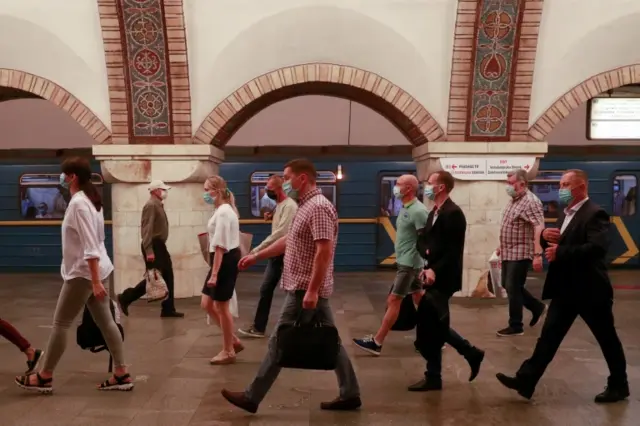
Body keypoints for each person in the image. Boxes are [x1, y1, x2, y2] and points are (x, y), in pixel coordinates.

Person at [221, 158, 361, 414]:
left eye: (287, 177)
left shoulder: (318, 207)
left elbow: (324, 251)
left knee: (279, 341)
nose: (284, 183)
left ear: (302, 178)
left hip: (304, 290)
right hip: (303, 288)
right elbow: (290, 240)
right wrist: (256, 256)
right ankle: (350, 393)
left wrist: (312, 290)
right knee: (332, 341)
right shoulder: (305, 207)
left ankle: (252, 397)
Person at [496, 169, 629, 403]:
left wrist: (561, 251)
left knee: (606, 338)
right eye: (561, 184)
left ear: (581, 188)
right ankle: (526, 380)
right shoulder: (565, 213)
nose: (562, 189)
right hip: (566, 289)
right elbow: (561, 239)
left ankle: (619, 385)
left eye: (566, 184)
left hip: (590, 290)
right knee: (548, 337)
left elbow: (597, 248)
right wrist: (545, 237)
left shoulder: (595, 213)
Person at [15, 157, 133, 393]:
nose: (62, 178)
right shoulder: (91, 201)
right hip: (96, 270)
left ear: (72, 177)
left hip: (83, 274)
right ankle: (121, 373)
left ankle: (44, 376)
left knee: (60, 324)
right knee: (106, 322)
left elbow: (90, 245)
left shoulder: (79, 203)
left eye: (64, 174)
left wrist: (95, 281)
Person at [409, 171, 484, 391]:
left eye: (430, 183)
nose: (427, 187)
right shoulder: (434, 212)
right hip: (431, 274)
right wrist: (427, 260)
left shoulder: (454, 213)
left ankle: (446, 367)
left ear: (441, 187)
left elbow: (453, 251)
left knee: (433, 323)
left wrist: (435, 269)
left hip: (444, 278)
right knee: (435, 324)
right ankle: (462, 358)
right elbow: (422, 241)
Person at [353, 174, 428, 355]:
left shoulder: (418, 211)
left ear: (409, 188)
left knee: (394, 300)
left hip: (409, 265)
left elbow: (425, 240)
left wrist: (426, 265)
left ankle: (377, 342)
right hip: (406, 262)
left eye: (399, 184)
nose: (396, 187)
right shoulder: (405, 207)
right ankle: (436, 336)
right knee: (420, 300)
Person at [238, 175, 298, 338]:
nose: (267, 191)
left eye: (270, 189)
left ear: (279, 189)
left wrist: (256, 251)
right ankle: (259, 327)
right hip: (276, 254)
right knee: (267, 289)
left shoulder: (289, 206)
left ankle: (296, 327)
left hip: (285, 254)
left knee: (292, 292)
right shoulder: (279, 205)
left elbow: (280, 233)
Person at [117, 180, 184, 318]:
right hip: (153, 245)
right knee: (154, 278)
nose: (164, 192)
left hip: (159, 245)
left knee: (168, 276)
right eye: (162, 189)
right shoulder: (151, 205)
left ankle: (168, 308)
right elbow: (146, 229)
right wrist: (149, 250)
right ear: (155, 191)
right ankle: (126, 297)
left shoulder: (158, 204)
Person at [496, 169, 546, 337]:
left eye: (511, 183)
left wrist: (538, 254)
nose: (508, 186)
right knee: (507, 284)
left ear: (522, 184)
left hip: (521, 251)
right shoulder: (514, 200)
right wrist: (501, 245)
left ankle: (516, 325)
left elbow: (539, 226)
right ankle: (536, 307)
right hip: (508, 251)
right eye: (507, 183)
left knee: (513, 287)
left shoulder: (531, 201)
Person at [201, 175, 243, 365]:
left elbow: (220, 245)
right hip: (221, 260)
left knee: (221, 306)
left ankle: (228, 351)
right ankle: (233, 340)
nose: (204, 194)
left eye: (206, 190)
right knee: (206, 304)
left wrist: (215, 274)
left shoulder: (224, 212)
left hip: (224, 261)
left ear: (216, 191)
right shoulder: (221, 210)